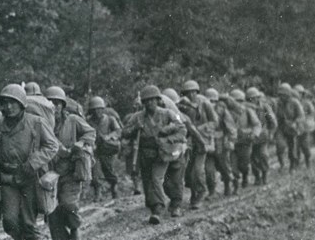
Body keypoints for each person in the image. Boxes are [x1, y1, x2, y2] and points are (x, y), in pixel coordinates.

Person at [0, 83, 59, 240]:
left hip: (29, 177)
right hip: (7, 178)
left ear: (22, 105)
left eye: (14, 103)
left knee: (28, 220)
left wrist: (32, 163)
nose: (9, 107)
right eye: (5, 103)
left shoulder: (35, 122)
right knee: (10, 220)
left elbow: (52, 146)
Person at [123, 85, 187, 223]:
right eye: (146, 101)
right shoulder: (137, 117)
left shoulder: (168, 113)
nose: (150, 103)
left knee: (165, 179)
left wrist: (167, 137)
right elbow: (125, 133)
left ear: (158, 100)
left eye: (152, 100)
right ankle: (156, 209)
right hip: (146, 153)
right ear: (143, 103)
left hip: (166, 151)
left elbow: (182, 130)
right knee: (148, 182)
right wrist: (135, 128)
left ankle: (172, 205)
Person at [45, 86, 95, 240]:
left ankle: (75, 232)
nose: (54, 106)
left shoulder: (73, 120)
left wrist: (80, 144)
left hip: (71, 171)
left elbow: (90, 133)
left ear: (62, 105)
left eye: (57, 103)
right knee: (51, 209)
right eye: (50, 103)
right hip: (50, 172)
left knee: (68, 204)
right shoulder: (43, 123)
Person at [179, 80, 219, 207]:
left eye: (193, 92)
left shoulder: (205, 103)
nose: (191, 95)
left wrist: (200, 129)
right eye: (188, 92)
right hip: (189, 142)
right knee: (188, 172)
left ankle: (201, 193)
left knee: (197, 170)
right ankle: (193, 194)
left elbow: (214, 121)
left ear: (197, 92)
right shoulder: (182, 105)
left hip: (202, 141)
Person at [222, 90, 262, 189]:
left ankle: (245, 177)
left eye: (240, 101)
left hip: (245, 142)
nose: (237, 103)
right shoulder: (226, 111)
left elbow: (257, 124)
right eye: (235, 101)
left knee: (244, 164)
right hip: (232, 142)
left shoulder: (248, 110)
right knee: (232, 165)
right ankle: (235, 185)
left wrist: (254, 134)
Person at [86, 96, 122, 200]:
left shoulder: (110, 119)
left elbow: (118, 131)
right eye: (95, 109)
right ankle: (98, 192)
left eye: (99, 109)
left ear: (103, 109)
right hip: (95, 149)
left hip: (107, 149)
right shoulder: (89, 121)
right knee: (94, 171)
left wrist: (109, 136)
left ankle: (114, 186)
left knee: (109, 170)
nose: (97, 112)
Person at [247, 87, 276, 184]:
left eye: (254, 98)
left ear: (258, 98)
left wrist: (271, 133)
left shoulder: (265, 107)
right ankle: (257, 177)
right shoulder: (246, 108)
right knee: (252, 158)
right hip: (251, 137)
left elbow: (272, 120)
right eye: (250, 98)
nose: (252, 100)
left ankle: (264, 175)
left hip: (263, 135)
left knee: (263, 155)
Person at [276, 83, 307, 170]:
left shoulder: (295, 102)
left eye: (283, 95)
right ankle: (282, 164)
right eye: (280, 95)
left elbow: (301, 116)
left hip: (292, 128)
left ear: (288, 94)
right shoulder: (277, 103)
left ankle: (292, 166)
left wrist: (295, 122)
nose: (281, 97)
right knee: (280, 146)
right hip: (281, 127)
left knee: (292, 148)